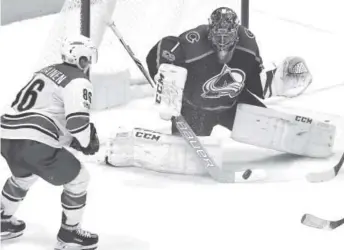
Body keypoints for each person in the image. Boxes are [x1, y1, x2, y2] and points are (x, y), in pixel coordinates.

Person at [104, 7, 335, 177]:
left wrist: (279, 78)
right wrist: (166, 80)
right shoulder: (193, 42)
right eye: (218, 35)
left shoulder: (248, 45)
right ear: (210, 30)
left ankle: (308, 140)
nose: (223, 42)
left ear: (237, 32)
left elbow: (254, 83)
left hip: (232, 105)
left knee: (266, 121)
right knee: (185, 159)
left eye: (228, 35)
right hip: (194, 109)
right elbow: (162, 49)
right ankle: (124, 148)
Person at [1, 35, 100, 250]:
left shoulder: (46, 70)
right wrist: (85, 141)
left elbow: (44, 109)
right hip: (34, 140)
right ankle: (69, 235)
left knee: (23, 177)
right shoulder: (78, 80)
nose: (89, 63)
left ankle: (2, 221)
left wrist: (68, 138)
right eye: (88, 58)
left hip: (6, 135)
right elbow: (77, 123)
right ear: (81, 59)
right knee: (79, 179)